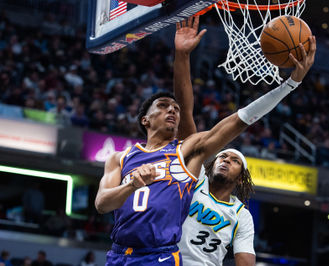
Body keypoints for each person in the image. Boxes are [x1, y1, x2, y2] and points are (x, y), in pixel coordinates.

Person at [94, 16, 316, 266]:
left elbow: (238, 120)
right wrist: (131, 185)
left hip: (160, 257)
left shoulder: (187, 153)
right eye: (164, 106)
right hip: (117, 255)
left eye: (175, 109)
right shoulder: (119, 158)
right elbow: (102, 204)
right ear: (145, 120)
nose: (173, 110)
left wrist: (291, 84)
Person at [173, 17, 256, 265]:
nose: (225, 160)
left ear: (241, 177)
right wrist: (182, 56)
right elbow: (185, 112)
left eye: (233, 160)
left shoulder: (241, 215)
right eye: (222, 156)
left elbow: (245, 260)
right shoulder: (194, 180)